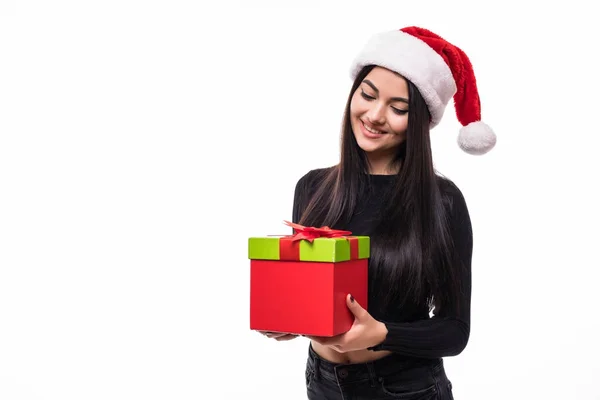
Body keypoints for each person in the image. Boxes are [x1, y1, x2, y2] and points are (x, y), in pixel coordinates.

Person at [261, 26, 496, 399]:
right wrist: (290, 319)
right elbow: (309, 293)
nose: (374, 115)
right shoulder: (311, 187)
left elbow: (454, 330)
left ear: (418, 121)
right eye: (367, 95)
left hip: (405, 387)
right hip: (322, 383)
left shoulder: (443, 200)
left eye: (398, 108)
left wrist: (384, 333)